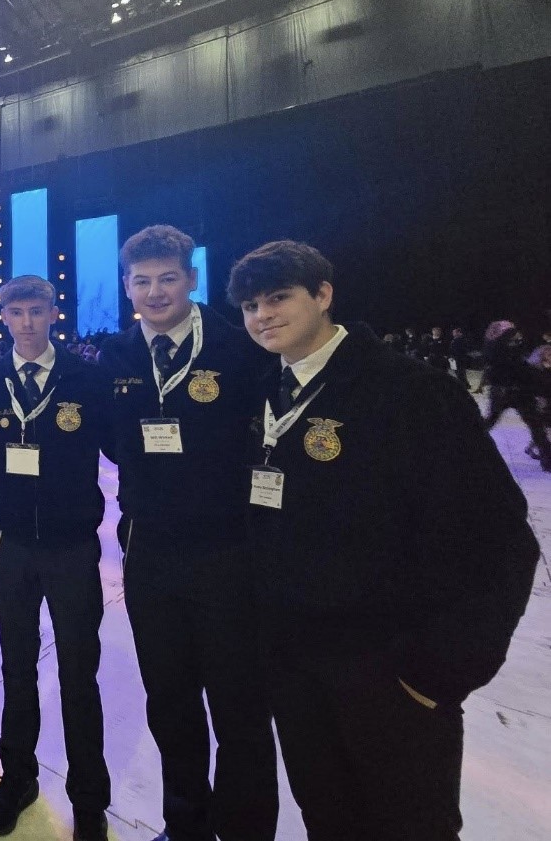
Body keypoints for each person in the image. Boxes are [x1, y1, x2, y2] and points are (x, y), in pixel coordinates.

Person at [227, 241, 539, 841]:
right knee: (328, 817)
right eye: (250, 306)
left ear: (323, 294)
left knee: (410, 826)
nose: (262, 315)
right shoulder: (270, 390)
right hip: (295, 664)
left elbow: (499, 541)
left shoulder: (409, 391)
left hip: (386, 670)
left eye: (278, 297)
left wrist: (434, 674)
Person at [99, 225, 277, 841]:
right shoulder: (117, 354)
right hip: (150, 553)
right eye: (142, 281)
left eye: (168, 278)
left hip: (227, 551)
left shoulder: (239, 348)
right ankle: (187, 826)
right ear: (127, 287)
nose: (155, 292)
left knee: (240, 709)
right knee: (171, 703)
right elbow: (112, 441)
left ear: (192, 279)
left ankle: (247, 831)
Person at [0, 275, 113, 839]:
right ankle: (18, 778)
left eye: (36, 311)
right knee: (16, 666)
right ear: (3, 317)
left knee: (79, 673)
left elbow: (122, 448)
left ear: (54, 313)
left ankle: (89, 800)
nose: (27, 322)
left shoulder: (86, 377)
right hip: (9, 544)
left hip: (71, 545)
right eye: (17, 313)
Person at [482, 320, 551, 469]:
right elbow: (518, 367)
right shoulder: (503, 348)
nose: (518, 335)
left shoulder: (496, 347)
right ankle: (548, 459)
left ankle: (548, 459)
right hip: (513, 390)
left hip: (512, 390)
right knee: (535, 425)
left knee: (534, 425)